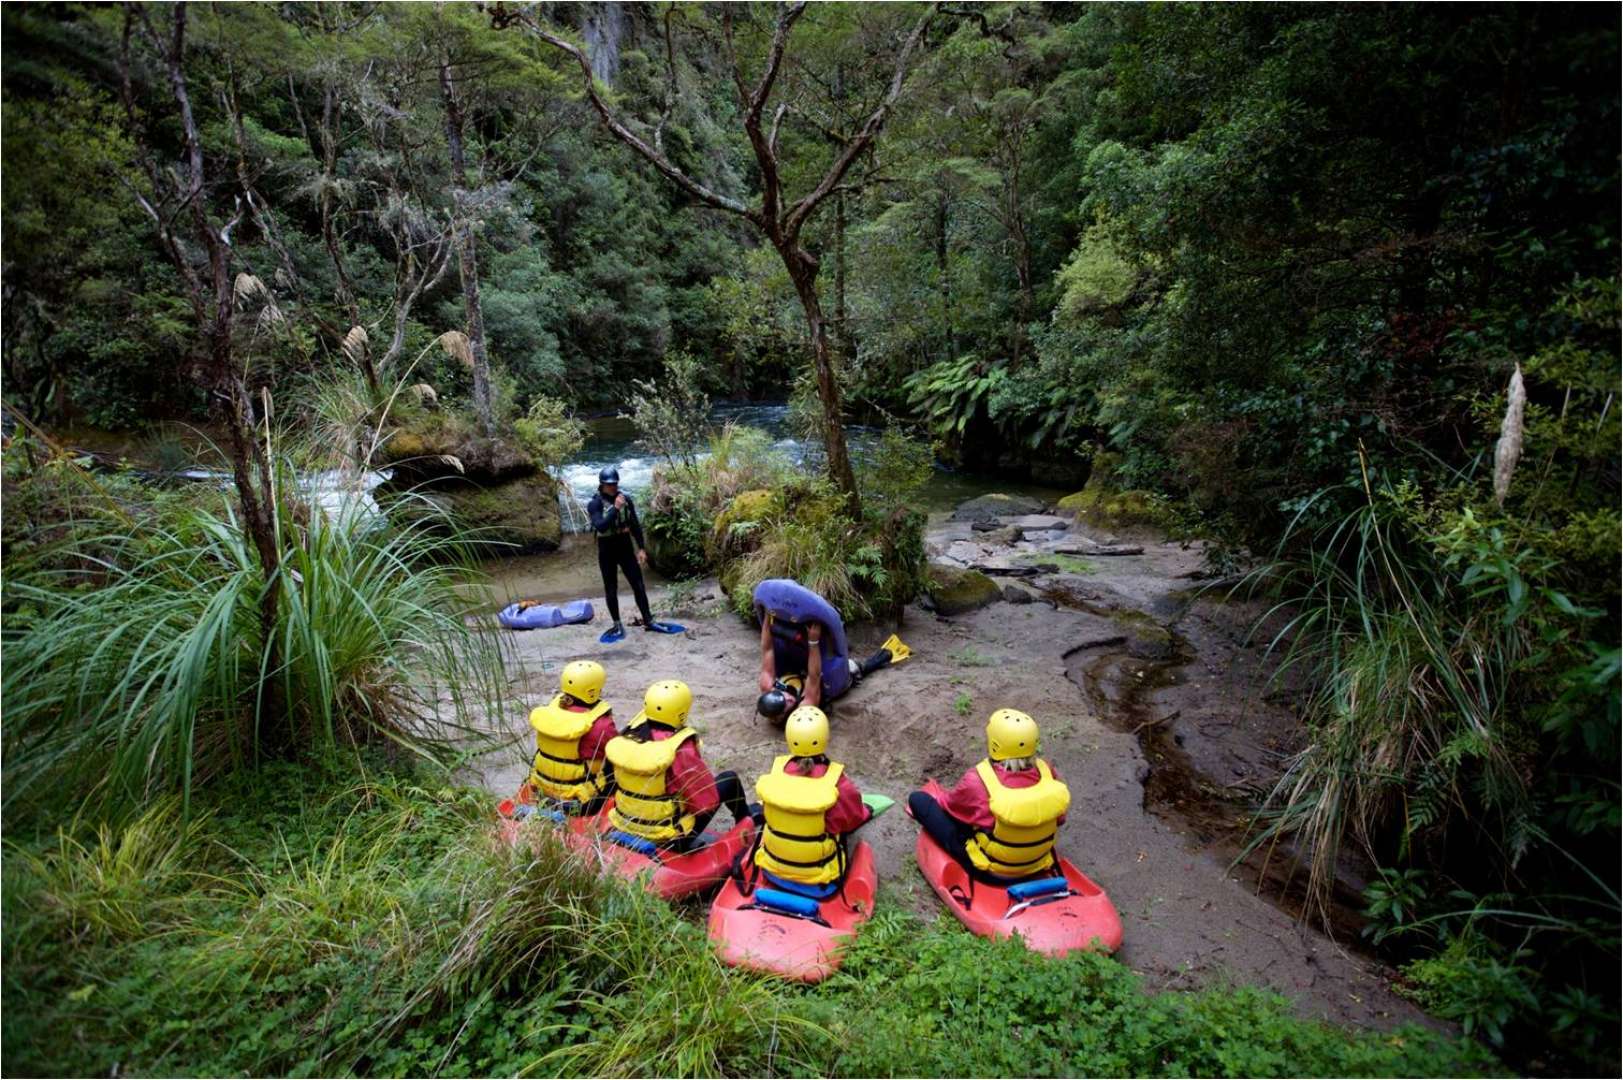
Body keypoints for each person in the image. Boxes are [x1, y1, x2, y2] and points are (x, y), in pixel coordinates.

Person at [907, 708, 1071, 880]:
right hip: (1038, 862)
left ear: (995, 744)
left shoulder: (978, 780)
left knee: (918, 800)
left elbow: (950, 809)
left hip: (992, 870)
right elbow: (1059, 820)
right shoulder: (1047, 771)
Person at [603, 679, 751, 851]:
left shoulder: (626, 737)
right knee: (729, 780)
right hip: (671, 838)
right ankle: (746, 822)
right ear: (682, 711)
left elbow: (609, 784)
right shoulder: (680, 749)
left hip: (625, 824)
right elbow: (705, 802)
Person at [753, 578, 910, 721]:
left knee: (792, 649)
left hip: (798, 671)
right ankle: (886, 655)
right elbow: (814, 676)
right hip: (827, 684)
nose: (789, 699)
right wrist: (813, 641)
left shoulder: (767, 686)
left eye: (784, 697)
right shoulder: (804, 707)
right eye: (787, 704)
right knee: (853, 668)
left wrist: (768, 617)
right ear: (783, 715)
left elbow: (768, 649)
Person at [751, 705, 872, 889]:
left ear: (789, 738)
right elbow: (851, 819)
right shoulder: (835, 780)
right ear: (825, 737)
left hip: (773, 865)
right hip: (819, 872)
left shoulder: (776, 771)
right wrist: (865, 811)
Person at [521, 659, 619, 816]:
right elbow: (616, 753)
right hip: (580, 802)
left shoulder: (551, 711)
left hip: (541, 791)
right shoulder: (601, 725)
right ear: (593, 690)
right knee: (619, 763)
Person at [586, 466, 654, 640]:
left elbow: (635, 525)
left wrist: (641, 548)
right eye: (609, 484)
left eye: (615, 484)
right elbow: (600, 525)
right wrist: (615, 508)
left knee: (638, 584)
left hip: (624, 546)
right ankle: (617, 624)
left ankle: (648, 620)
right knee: (611, 588)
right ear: (602, 485)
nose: (613, 487)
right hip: (606, 549)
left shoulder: (626, 500)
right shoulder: (595, 503)